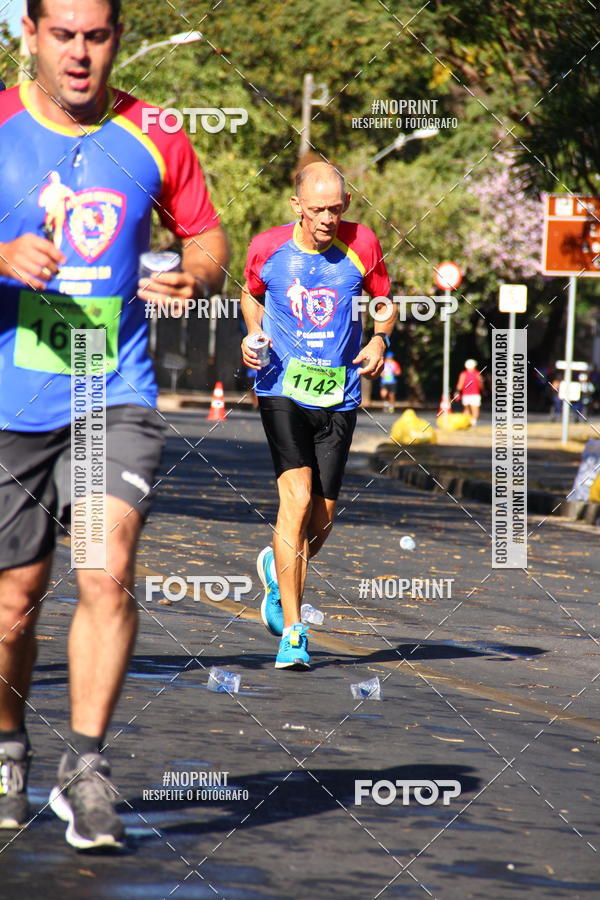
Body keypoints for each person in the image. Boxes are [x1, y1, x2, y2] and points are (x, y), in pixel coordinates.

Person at [0, 0, 228, 849]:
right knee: (14, 605)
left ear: (117, 38)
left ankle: (87, 768)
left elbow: (205, 238)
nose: (81, 54)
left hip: (112, 390)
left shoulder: (157, 133)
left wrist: (190, 277)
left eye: (97, 36)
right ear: (30, 33)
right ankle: (9, 751)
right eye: (63, 34)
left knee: (107, 565)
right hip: (10, 401)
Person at [241, 161, 394, 670]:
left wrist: (378, 337)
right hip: (280, 384)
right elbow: (251, 293)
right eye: (317, 209)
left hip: (340, 392)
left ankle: (275, 574)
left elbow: (384, 301)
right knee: (297, 496)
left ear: (346, 206)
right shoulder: (268, 246)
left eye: (335, 208)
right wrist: (251, 334)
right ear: (297, 208)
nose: (327, 219)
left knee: (321, 521)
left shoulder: (362, 244)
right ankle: (293, 629)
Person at [454, 358, 483, 424]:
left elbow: (460, 384)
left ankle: (465, 423)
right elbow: (481, 385)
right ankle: (472, 423)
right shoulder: (477, 374)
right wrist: (483, 390)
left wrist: (457, 392)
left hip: (465, 395)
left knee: (466, 410)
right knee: (475, 410)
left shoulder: (463, 374)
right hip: (475, 395)